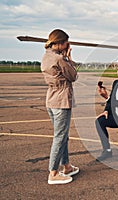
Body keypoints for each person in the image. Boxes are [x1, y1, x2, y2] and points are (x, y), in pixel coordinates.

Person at [41, 29, 79, 184]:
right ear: (62, 43)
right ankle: (53, 172)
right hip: (61, 101)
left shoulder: (46, 56)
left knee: (62, 135)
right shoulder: (60, 59)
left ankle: (67, 166)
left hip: (51, 99)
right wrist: (69, 58)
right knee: (60, 137)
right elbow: (73, 76)